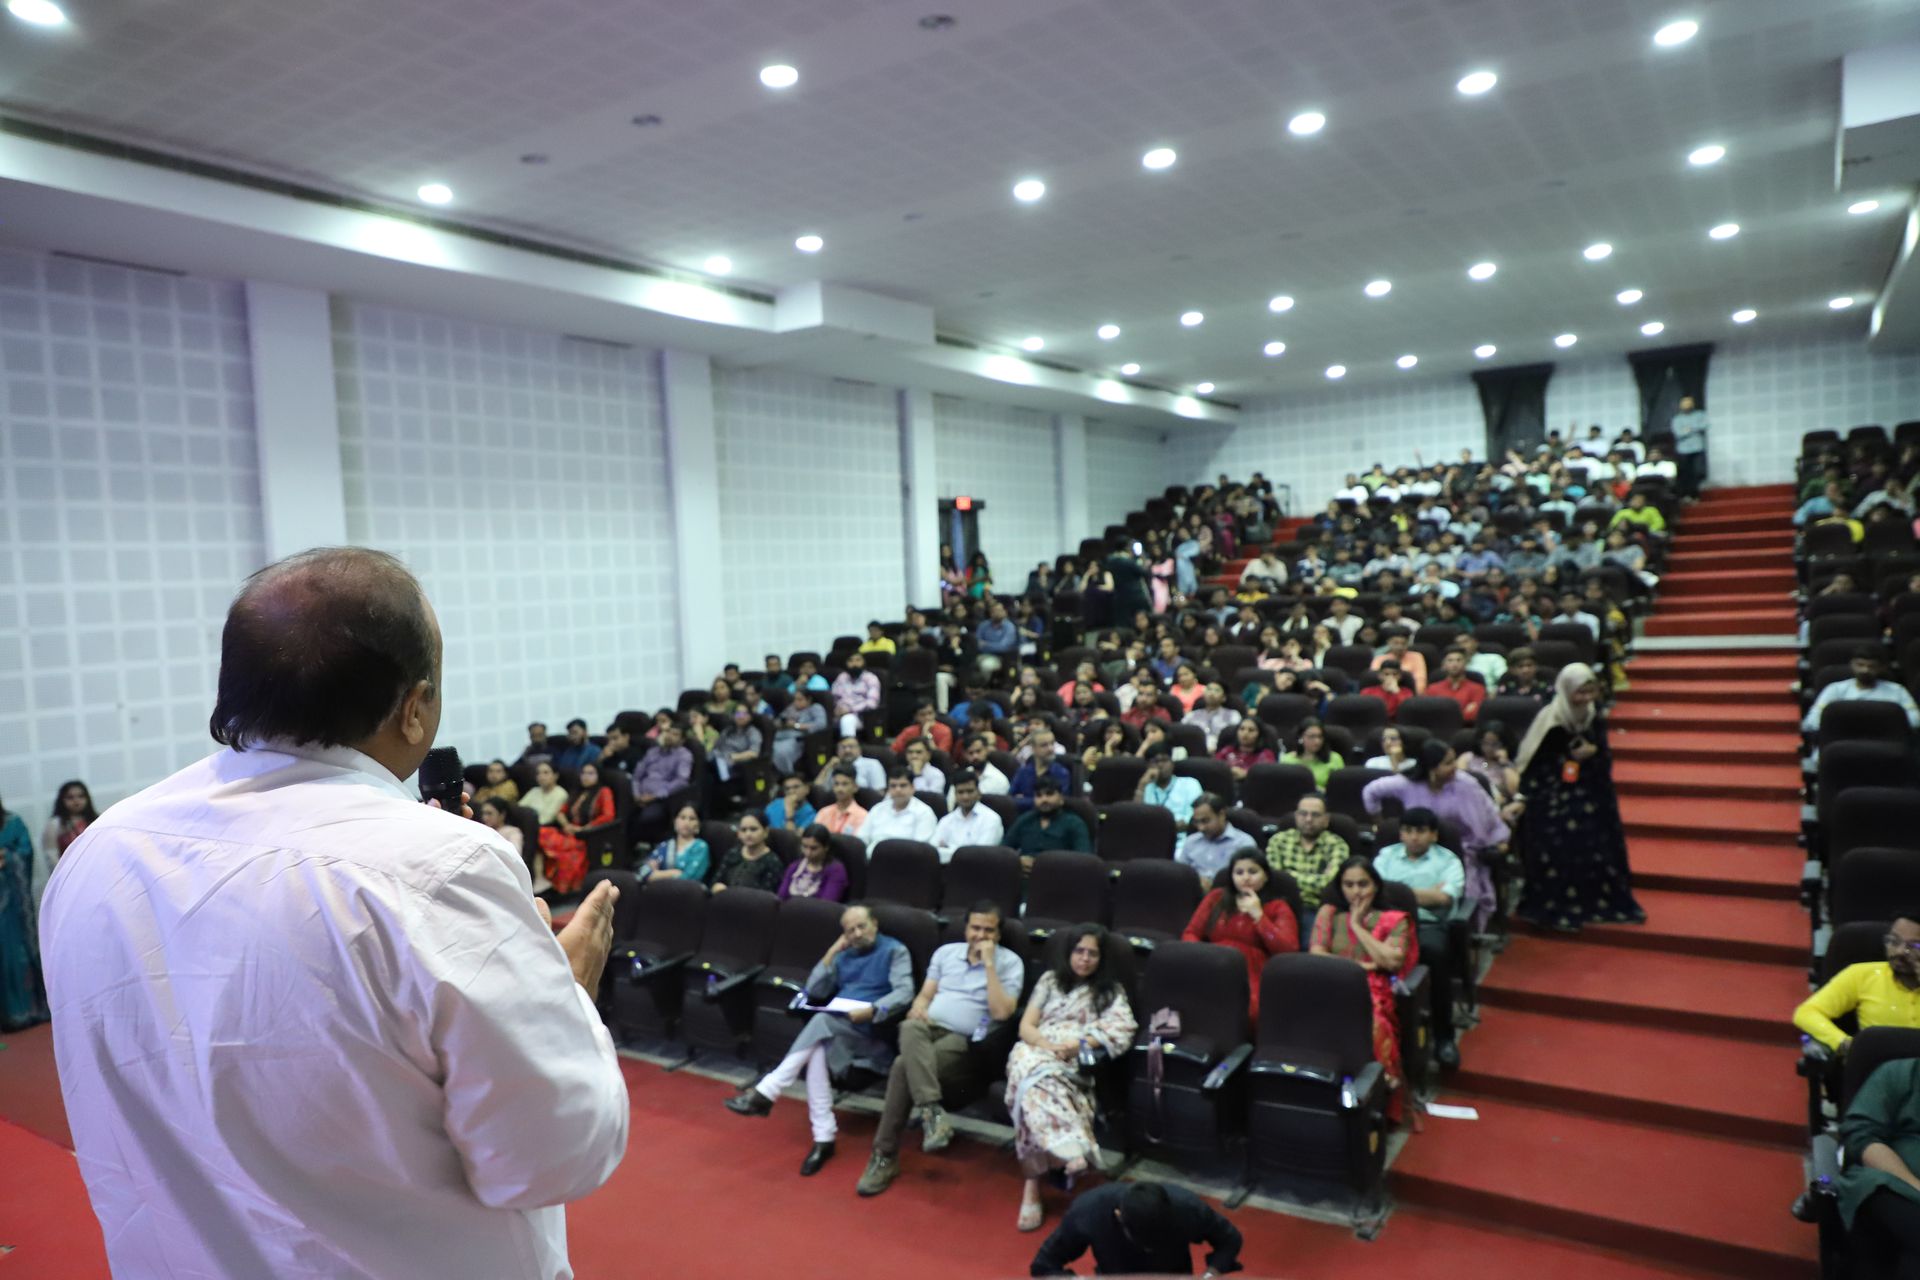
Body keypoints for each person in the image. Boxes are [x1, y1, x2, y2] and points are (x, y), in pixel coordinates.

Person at [38, 547, 625, 1277]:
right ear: (414, 709)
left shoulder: (101, 850)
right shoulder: (441, 869)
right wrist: (565, 996)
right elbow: (550, 1159)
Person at [724, 903, 911, 1175]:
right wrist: (832, 952)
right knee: (819, 1047)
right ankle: (823, 1137)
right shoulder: (845, 956)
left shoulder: (895, 950)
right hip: (839, 1031)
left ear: (875, 924)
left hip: (874, 1035)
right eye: (850, 931)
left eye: (862, 926)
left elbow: (905, 993)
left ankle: (769, 1090)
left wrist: (873, 1010)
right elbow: (814, 990)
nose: (857, 934)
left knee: (822, 1023)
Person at [857, 903, 1025, 1196]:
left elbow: (1002, 1013)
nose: (980, 935)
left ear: (998, 934)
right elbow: (924, 996)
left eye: (988, 930)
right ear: (966, 928)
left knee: (902, 1066)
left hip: (963, 1040)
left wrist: (988, 965)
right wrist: (919, 1008)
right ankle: (932, 1112)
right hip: (927, 1029)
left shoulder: (1010, 963)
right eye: (975, 928)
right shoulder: (946, 953)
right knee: (909, 1026)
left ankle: (885, 1155)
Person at [1007, 925, 1138, 1232]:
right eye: (1079, 951)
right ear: (1068, 954)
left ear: (1101, 959)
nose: (1085, 959)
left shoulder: (1110, 992)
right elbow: (1026, 1026)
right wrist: (1046, 1046)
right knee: (1033, 1072)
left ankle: (1032, 1185)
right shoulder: (1049, 981)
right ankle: (1072, 1149)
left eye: (1092, 953)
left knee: (1034, 1091)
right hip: (1035, 1048)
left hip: (1074, 1055)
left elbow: (1123, 1029)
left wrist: (1077, 1045)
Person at [1514, 663, 1645, 932]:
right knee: (1557, 826)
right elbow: (1534, 765)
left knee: (1596, 824)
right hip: (1552, 787)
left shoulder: (1594, 717)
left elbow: (1605, 758)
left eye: (1590, 692)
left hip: (1590, 784)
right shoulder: (1551, 720)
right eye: (1579, 693)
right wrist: (1566, 761)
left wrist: (1592, 754)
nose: (1585, 699)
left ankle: (1594, 897)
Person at [1311, 856, 1417, 1121]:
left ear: (1376, 886)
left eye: (1363, 884)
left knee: (1373, 1021)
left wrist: (1357, 926)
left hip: (1374, 987)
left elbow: (1391, 961)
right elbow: (1317, 955)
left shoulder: (1395, 920)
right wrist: (1364, 964)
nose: (1356, 892)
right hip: (1331, 981)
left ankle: (1377, 1092)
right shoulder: (1329, 914)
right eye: (1348, 885)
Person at [1372, 808, 1467, 1069]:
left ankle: (1444, 1037)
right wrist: (1425, 894)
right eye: (1408, 831)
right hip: (1385, 923)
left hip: (1426, 924)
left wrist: (1397, 891)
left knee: (1434, 955)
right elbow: (1373, 892)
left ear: (1433, 835)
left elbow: (1444, 898)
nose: (1414, 837)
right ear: (1401, 833)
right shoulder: (1386, 856)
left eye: (1421, 831)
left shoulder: (1447, 861)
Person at [1030, 1180, 1243, 1277]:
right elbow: (1044, 1265)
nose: (1149, 1248)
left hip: (1174, 1275)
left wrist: (1210, 1275)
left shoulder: (1187, 1207)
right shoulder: (1089, 1211)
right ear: (1118, 1216)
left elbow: (1230, 1240)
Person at [1181, 851, 1299, 1022]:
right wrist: (1200, 957)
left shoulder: (1277, 907)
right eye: (1239, 872)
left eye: (1253, 872)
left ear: (1266, 876)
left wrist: (1259, 916)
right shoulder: (1217, 897)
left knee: (1247, 1012)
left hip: (1252, 973)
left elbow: (1288, 950)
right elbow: (1191, 933)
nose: (1246, 878)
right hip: (1211, 963)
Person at [1834, 1051, 1920, 1275]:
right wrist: (1914, 1187)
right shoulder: (1897, 1073)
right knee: (1873, 1185)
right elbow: (1861, 1137)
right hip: (1890, 1185)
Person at [1794, 912, 1920, 1053]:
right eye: (1894, 941)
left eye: (1914, 946)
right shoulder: (1861, 975)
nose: (1900, 951)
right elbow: (1807, 1012)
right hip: (1876, 1061)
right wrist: (1845, 1043)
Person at [1, 791, 48, 1030]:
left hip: (13, 907)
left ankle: (28, 1009)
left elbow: (25, 853)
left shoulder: (13, 823)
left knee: (16, 955)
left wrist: (7, 857)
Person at [1264, 793, 1350, 914]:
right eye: (1303, 814)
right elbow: (1275, 880)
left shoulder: (1337, 845)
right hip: (1281, 906)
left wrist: (1288, 876)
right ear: (1296, 816)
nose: (1308, 819)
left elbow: (1330, 886)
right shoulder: (1278, 840)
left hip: (1317, 909)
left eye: (1315, 815)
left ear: (1326, 820)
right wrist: (1317, 879)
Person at [1804, 646, 1920, 735]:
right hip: (1842, 741)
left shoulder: (1897, 691)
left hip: (1885, 743)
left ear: (1881, 668)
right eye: (1860, 665)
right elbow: (1812, 722)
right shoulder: (1834, 690)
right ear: (1851, 665)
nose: (1865, 670)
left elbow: (1915, 720)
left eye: (1871, 666)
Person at [536, 761, 612, 894]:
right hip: (569, 832)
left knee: (564, 855)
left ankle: (561, 889)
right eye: (583, 773)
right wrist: (566, 825)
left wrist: (585, 828)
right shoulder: (577, 791)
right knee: (540, 832)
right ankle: (543, 882)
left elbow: (608, 816)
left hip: (586, 835)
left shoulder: (603, 791)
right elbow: (561, 812)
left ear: (598, 775)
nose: (585, 777)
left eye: (590, 773)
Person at [1006, 778, 1092, 870]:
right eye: (1039, 795)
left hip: (1060, 874)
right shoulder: (1025, 820)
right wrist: (1018, 861)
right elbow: (1004, 850)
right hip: (1024, 873)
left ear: (1061, 798)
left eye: (1049, 794)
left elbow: (1084, 859)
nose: (1044, 799)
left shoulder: (1074, 823)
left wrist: (1041, 865)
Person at [1177, 794, 1256, 886]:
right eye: (1196, 822)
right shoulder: (1191, 842)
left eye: (1205, 821)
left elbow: (1248, 879)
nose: (1201, 828)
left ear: (1221, 815)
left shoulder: (1244, 843)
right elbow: (1181, 875)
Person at [934, 771, 1005, 861]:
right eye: (960, 792)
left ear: (979, 793)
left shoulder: (991, 819)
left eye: (970, 791)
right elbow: (934, 851)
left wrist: (948, 848)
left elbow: (981, 854)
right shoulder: (946, 820)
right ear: (955, 795)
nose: (965, 797)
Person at [862, 768, 939, 848]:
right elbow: (862, 839)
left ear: (912, 788)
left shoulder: (924, 813)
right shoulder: (877, 809)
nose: (898, 790)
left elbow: (920, 849)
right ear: (888, 789)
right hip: (873, 854)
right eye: (893, 786)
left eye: (903, 785)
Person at [713, 811, 784, 893]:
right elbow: (716, 881)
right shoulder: (733, 853)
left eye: (753, 829)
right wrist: (716, 887)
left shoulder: (772, 862)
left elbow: (767, 897)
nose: (748, 834)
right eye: (743, 830)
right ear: (738, 833)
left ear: (766, 832)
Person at [777, 824, 850, 903]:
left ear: (826, 847)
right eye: (805, 846)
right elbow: (780, 898)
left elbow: (827, 905)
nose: (808, 853)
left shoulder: (836, 870)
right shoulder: (795, 867)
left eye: (814, 848)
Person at [1136, 745, 1203, 830]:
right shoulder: (1145, 788)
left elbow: (1196, 818)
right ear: (1148, 766)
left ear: (1172, 763)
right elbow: (1137, 819)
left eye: (1164, 760)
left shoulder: (1190, 784)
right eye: (1155, 761)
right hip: (1152, 835)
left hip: (1182, 836)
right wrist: (1141, 786)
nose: (1160, 765)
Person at [644, 804, 711, 883]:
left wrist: (657, 874)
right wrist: (672, 873)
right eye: (682, 817)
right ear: (675, 821)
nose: (686, 822)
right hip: (659, 888)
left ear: (698, 824)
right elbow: (644, 872)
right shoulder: (665, 845)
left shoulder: (700, 847)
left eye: (692, 819)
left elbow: (689, 878)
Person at [1010, 730, 1073, 810]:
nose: (1050, 749)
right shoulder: (1023, 771)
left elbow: (1060, 802)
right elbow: (1011, 800)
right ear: (1033, 748)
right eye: (1044, 745)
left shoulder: (1061, 773)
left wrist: (1024, 800)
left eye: (1052, 744)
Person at [42, 779, 97, 866]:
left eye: (81, 796)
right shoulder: (54, 824)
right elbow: (51, 855)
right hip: (68, 871)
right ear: (62, 800)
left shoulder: (96, 821)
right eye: (70, 797)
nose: (76, 801)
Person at [772, 688, 828, 774]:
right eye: (795, 699)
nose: (796, 702)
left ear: (808, 700)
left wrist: (796, 725)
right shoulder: (791, 708)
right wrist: (782, 723)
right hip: (782, 736)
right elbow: (777, 721)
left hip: (800, 738)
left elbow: (821, 725)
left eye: (799, 699)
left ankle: (788, 774)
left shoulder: (815, 708)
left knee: (781, 752)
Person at [1280, 718, 1344, 790]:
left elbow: (1340, 788)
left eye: (1320, 736)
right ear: (1301, 737)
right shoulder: (1287, 760)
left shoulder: (1335, 759)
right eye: (1311, 736)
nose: (1317, 741)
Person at [831, 652, 883, 738]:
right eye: (850, 661)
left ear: (863, 662)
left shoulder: (871, 678)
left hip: (860, 717)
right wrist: (837, 709)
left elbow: (872, 704)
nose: (854, 664)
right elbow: (834, 697)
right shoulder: (842, 677)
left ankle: (849, 744)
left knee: (847, 719)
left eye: (858, 660)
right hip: (839, 714)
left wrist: (850, 710)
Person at [1429, 648, 1487, 723]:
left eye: (1459, 660)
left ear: (1466, 664)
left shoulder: (1477, 688)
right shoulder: (1432, 689)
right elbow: (1430, 713)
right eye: (1450, 660)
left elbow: (1475, 714)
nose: (1454, 664)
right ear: (1444, 665)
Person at [1183, 681, 1241, 753]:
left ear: (1224, 698)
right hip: (1194, 752)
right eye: (1209, 689)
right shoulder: (1192, 715)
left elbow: (1236, 737)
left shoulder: (1233, 715)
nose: (1211, 693)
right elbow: (1181, 733)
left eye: (1217, 690)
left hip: (1221, 752)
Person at [816, 735, 887, 792]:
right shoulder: (834, 765)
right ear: (837, 751)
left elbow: (879, 793)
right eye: (843, 747)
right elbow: (817, 789)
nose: (847, 750)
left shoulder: (872, 764)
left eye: (851, 746)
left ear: (859, 749)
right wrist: (828, 766)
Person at [952, 733, 1012, 801]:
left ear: (986, 750)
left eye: (978, 751)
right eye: (970, 753)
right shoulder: (962, 776)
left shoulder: (999, 780)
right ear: (965, 754)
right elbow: (951, 802)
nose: (975, 756)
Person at [1216, 717, 1275, 781]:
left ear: (1259, 735)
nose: (1245, 733)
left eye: (1251, 730)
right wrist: (1230, 771)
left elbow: (1266, 776)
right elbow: (1214, 767)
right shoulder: (1228, 750)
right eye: (1242, 729)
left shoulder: (1265, 754)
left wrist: (1245, 774)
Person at [819, 766, 870, 838]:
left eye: (845, 784)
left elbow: (858, 842)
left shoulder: (863, 816)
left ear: (855, 787)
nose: (839, 789)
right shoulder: (824, 812)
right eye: (836, 784)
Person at [523, 760, 569, 826]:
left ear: (556, 776)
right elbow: (519, 809)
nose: (541, 776)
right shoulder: (534, 790)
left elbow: (546, 820)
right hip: (526, 825)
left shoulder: (561, 794)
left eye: (546, 773)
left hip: (544, 828)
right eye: (538, 773)